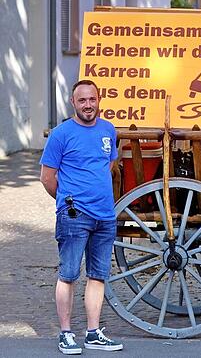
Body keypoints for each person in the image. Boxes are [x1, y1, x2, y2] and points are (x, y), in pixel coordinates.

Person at [40, 80, 124, 355]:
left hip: (104, 216)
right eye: (82, 100)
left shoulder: (107, 130)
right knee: (68, 275)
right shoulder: (61, 134)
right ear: (72, 103)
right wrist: (67, 202)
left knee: (98, 276)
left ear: (99, 100)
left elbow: (109, 163)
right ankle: (65, 333)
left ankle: (93, 332)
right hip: (75, 215)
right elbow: (47, 177)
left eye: (92, 99)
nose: (88, 105)